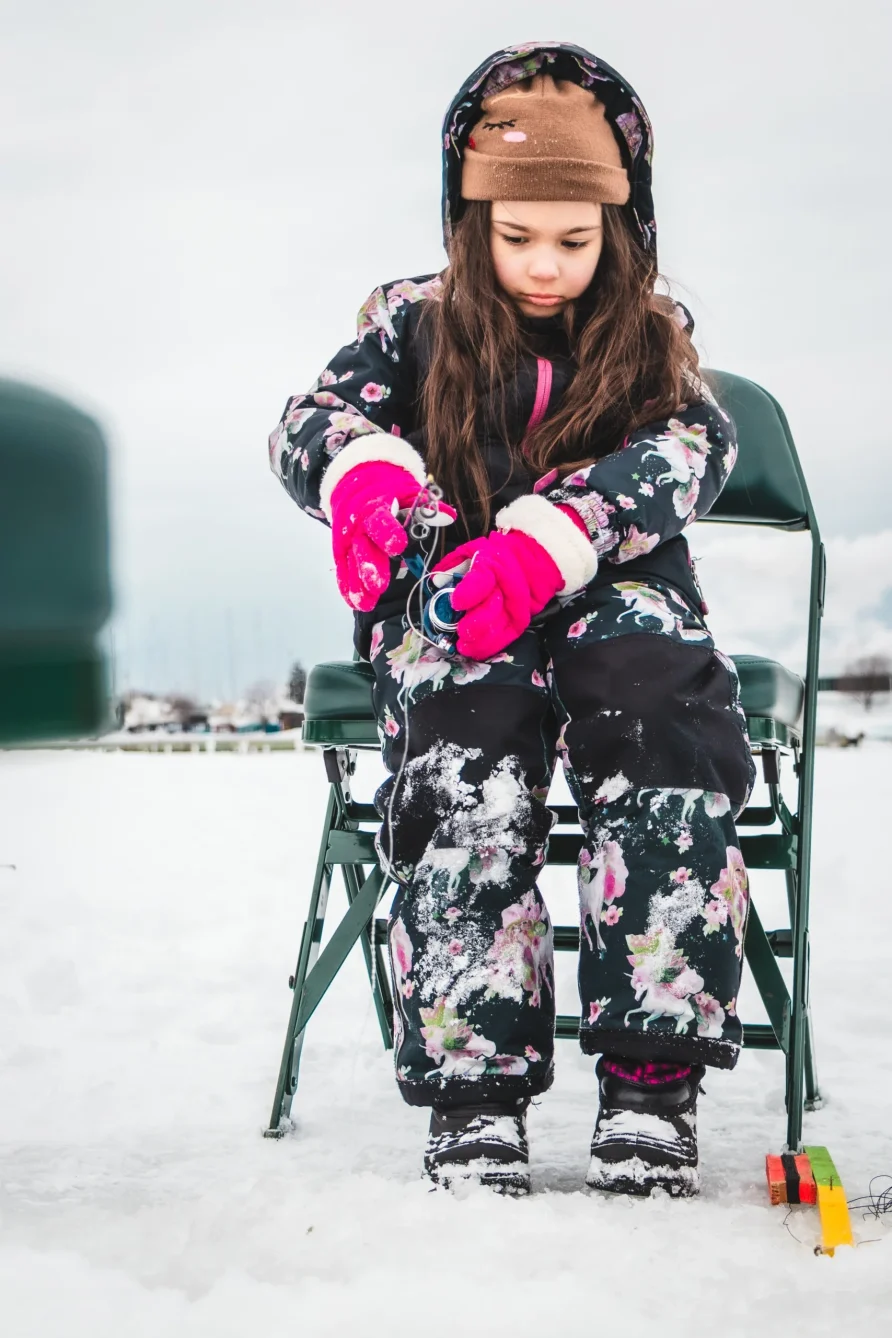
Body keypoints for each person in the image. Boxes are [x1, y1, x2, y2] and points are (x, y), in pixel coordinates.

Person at [269, 41, 755, 1198]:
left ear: (619, 230)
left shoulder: (644, 335)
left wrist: (562, 533)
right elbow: (311, 417)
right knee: (468, 746)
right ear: (467, 220)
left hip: (612, 589)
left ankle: (650, 1076)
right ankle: (475, 1087)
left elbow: (696, 449)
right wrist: (363, 477)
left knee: (660, 720)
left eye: (576, 241)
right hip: (454, 596)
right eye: (516, 236)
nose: (546, 266)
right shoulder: (410, 325)